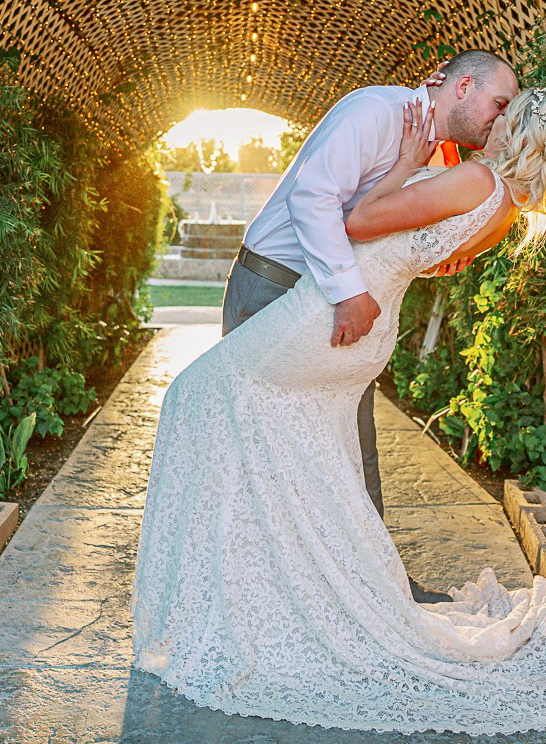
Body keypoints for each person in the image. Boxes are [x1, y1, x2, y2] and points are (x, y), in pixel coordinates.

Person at [132, 86, 546, 735]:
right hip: (364, 327)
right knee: (306, 459)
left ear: (523, 128)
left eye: (508, 111)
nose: (495, 119)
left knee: (196, 397)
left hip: (327, 319)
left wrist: (404, 162)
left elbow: (356, 219)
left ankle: (260, 602)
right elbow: (429, 254)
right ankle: (290, 593)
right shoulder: (507, 206)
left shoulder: (475, 178)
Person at [222, 50, 519, 602]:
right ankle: (262, 596)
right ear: (462, 88)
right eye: (498, 104)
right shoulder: (375, 112)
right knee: (265, 447)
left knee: (353, 443)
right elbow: (315, 200)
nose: (500, 120)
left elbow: (384, 229)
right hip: (277, 286)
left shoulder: (435, 147)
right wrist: (350, 292)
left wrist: (438, 252)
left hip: (327, 296)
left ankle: (376, 592)